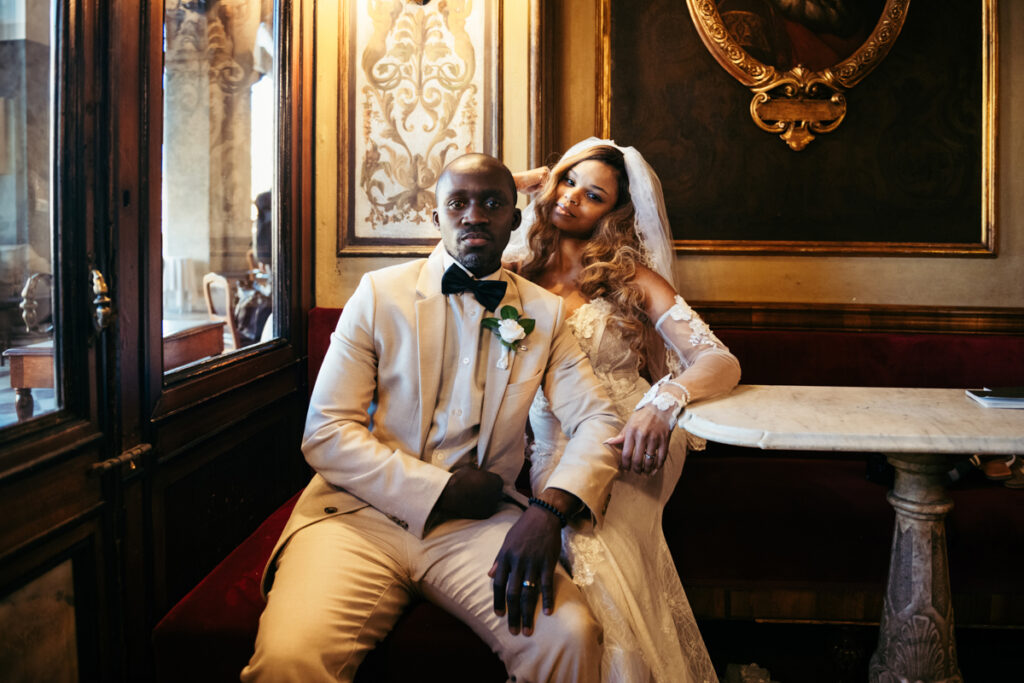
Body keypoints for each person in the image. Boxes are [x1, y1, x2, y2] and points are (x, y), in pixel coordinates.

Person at [242, 153, 624, 682]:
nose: (474, 215)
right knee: (289, 659)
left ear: (514, 219)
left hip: (481, 528)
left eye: (492, 203)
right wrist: (438, 490)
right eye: (458, 203)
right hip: (358, 518)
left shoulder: (543, 313)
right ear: (437, 217)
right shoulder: (378, 295)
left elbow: (600, 421)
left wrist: (548, 511)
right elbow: (326, 432)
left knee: (569, 637)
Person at [505, 138, 742, 683]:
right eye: (566, 182)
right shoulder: (512, 272)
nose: (570, 199)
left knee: (587, 546)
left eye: (592, 195)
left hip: (636, 440)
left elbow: (718, 361)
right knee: (571, 548)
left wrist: (662, 402)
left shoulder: (629, 277)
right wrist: (511, 186)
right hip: (553, 442)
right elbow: (433, 268)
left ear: (613, 213)